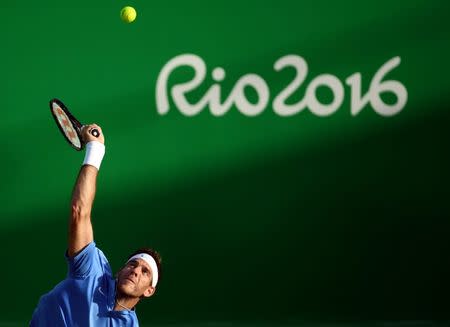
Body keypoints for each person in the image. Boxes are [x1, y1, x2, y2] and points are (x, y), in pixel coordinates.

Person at [31, 124, 161, 326]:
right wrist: (96, 150)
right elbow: (79, 212)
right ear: (119, 271)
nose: (135, 271)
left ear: (149, 290)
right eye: (132, 264)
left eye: (145, 272)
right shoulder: (92, 271)